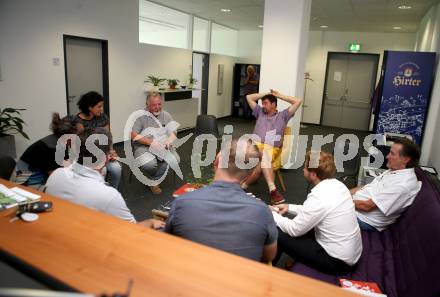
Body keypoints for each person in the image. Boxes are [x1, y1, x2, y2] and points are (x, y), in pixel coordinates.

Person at [165, 139, 278, 262]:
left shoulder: (181, 203)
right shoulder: (263, 212)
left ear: (217, 161)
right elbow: (269, 256)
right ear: (250, 174)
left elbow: (169, 242)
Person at [45, 127, 164, 229]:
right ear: (106, 158)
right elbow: (131, 230)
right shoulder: (109, 195)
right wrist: (151, 222)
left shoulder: (55, 175)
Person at [271, 151, 362, 274]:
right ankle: (275, 265)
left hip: (337, 263)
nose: (303, 170)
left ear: (313, 175)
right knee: (292, 226)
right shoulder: (338, 185)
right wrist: (289, 207)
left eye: (305, 167)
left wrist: (272, 215)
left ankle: (264, 272)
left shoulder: (319, 196)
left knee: (276, 231)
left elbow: (295, 229)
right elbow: (313, 211)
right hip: (350, 255)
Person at [242, 89, 302, 204]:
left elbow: (298, 101)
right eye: (262, 103)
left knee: (262, 160)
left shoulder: (283, 115)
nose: (263, 105)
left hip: (271, 149)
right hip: (253, 147)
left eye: (266, 103)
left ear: (273, 104)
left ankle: (243, 186)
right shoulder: (259, 112)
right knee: (263, 156)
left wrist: (279, 95)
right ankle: (273, 191)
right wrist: (266, 95)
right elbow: (249, 96)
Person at [352, 138, 421, 231]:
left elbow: (366, 206)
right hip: (355, 208)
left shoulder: (402, 185)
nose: (387, 156)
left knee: (327, 209)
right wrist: (343, 192)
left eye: (392, 154)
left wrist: (342, 200)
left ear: (405, 159)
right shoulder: (394, 170)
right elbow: (366, 187)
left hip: (364, 220)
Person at [131, 92, 179, 194]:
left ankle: (154, 181)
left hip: (163, 147)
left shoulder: (166, 115)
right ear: (147, 104)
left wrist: (169, 141)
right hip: (144, 146)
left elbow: (174, 133)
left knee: (175, 160)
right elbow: (134, 135)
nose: (157, 107)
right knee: (149, 164)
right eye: (154, 105)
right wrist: (151, 142)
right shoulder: (140, 116)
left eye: (159, 104)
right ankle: (155, 177)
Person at [12, 113, 77, 189]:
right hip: (25, 187)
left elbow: (66, 164)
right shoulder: (50, 148)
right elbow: (56, 177)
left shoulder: (60, 140)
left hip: (41, 180)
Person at [72, 91, 121, 189]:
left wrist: (110, 150)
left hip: (103, 152)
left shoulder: (103, 117)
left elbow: (108, 136)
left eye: (102, 106)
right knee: (103, 171)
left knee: (116, 169)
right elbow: (82, 146)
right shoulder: (79, 121)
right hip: (87, 156)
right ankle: (98, 192)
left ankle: (112, 192)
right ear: (90, 107)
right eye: (99, 107)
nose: (101, 109)